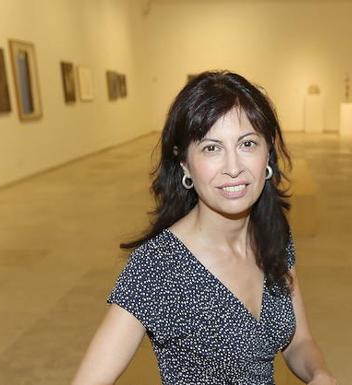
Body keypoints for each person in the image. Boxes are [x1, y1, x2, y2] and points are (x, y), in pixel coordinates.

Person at [71, 71, 337, 385]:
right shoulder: (158, 266)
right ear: (184, 163)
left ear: (268, 152)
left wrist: (319, 373)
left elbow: (299, 341)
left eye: (247, 143)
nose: (234, 167)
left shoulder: (273, 233)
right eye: (212, 148)